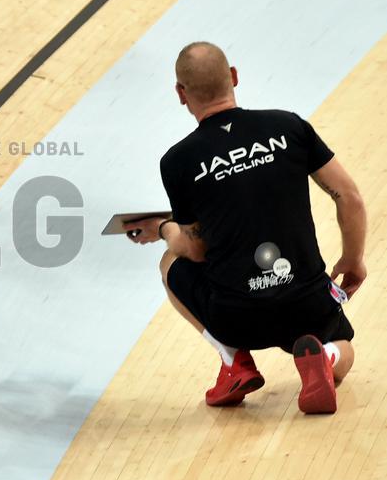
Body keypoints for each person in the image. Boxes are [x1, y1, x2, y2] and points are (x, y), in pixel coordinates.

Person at [125, 42, 366, 414]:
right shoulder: (288, 125)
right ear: (234, 76)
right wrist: (353, 260)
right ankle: (326, 358)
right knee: (343, 343)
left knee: (169, 264)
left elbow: (194, 249)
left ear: (180, 94)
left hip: (236, 316)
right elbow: (348, 196)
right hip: (306, 301)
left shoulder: (178, 161)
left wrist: (162, 228)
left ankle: (235, 361)